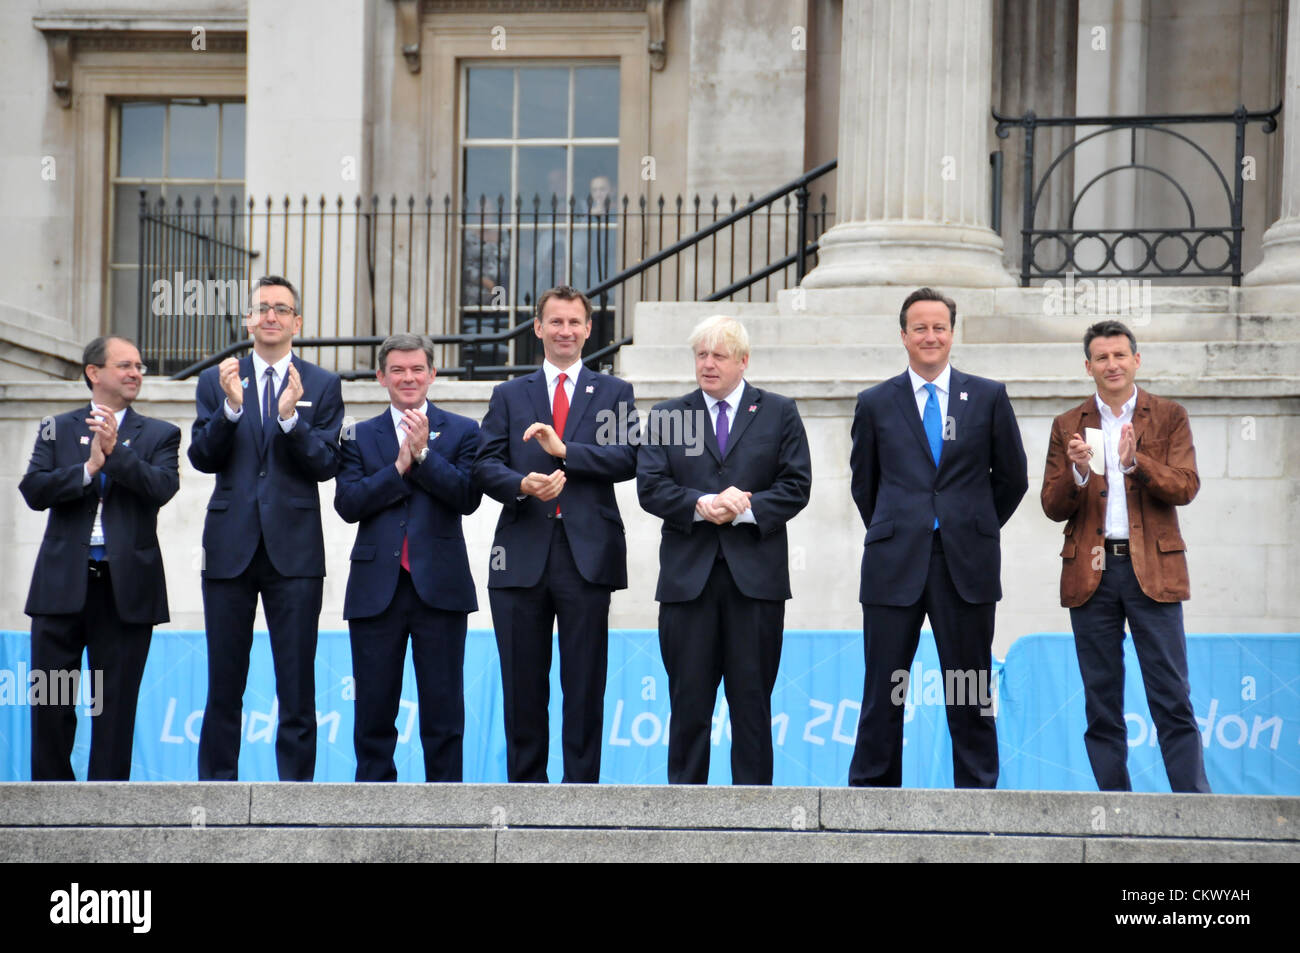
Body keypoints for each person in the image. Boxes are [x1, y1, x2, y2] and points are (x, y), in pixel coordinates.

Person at [848, 287, 1028, 788]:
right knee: (884, 687)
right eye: (920, 327)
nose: (930, 336)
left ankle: (977, 796)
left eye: (939, 327)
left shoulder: (988, 396)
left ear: (953, 333)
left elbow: (1012, 478)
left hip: (965, 564)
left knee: (969, 688)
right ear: (903, 335)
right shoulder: (875, 402)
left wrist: (971, 526)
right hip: (893, 562)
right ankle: (870, 797)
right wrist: (898, 526)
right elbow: (865, 484)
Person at [636, 315, 812, 784]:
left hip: (754, 584)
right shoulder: (669, 415)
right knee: (688, 705)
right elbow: (650, 487)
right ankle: (682, 818)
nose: (708, 364)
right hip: (687, 585)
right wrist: (702, 504)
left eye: (718, 355)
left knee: (751, 706)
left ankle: (757, 823)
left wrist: (744, 508)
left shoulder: (778, 412)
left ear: (743, 361)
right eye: (701, 355)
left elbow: (796, 486)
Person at [473, 285, 638, 783]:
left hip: (587, 555)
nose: (565, 331)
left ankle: (581, 794)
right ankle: (525, 793)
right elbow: (483, 464)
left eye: (575, 322)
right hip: (521, 554)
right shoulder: (509, 394)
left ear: (589, 330)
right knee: (523, 684)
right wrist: (521, 484)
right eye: (556, 322)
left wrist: (566, 451)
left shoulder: (614, 392)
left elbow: (629, 458)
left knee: (584, 682)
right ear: (538, 329)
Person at [1041, 320, 1210, 793]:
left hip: (1153, 569)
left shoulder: (1169, 415)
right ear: (1088, 366)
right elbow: (1052, 507)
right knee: (1101, 699)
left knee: (1171, 695)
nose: (1111, 364)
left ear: (1137, 360)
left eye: (1120, 355)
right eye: (1101, 357)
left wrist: (1136, 463)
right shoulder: (1067, 424)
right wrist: (1077, 473)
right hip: (1091, 572)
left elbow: (1186, 486)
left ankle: (1194, 806)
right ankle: (1115, 805)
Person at [188, 275, 344, 781]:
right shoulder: (217, 380)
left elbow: (326, 464)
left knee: (296, 681)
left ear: (297, 322)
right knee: (223, 679)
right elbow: (202, 457)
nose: (271, 316)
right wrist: (231, 409)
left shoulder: (321, 385)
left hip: (294, 552)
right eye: (262, 309)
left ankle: (296, 792)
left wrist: (289, 422)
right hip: (230, 547)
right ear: (248, 320)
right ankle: (215, 791)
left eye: (282, 309)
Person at [19, 336, 180, 780]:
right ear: (94, 372)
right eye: (125, 365)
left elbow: (161, 488)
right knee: (51, 703)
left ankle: (107, 807)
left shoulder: (161, 433)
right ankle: (50, 806)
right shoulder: (56, 427)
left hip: (124, 590)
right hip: (61, 586)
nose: (135, 373)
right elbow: (34, 490)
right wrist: (88, 469)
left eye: (140, 366)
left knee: (114, 708)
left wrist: (114, 453)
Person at [334, 333, 482, 782]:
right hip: (375, 590)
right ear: (381, 376)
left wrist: (423, 456)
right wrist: (398, 469)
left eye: (417, 369)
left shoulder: (462, 431)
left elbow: (467, 496)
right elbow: (348, 504)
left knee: (443, 713)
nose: (408, 377)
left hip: (440, 587)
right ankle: (372, 810)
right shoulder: (358, 434)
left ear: (433, 374)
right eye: (397, 370)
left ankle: (448, 812)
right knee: (374, 711)